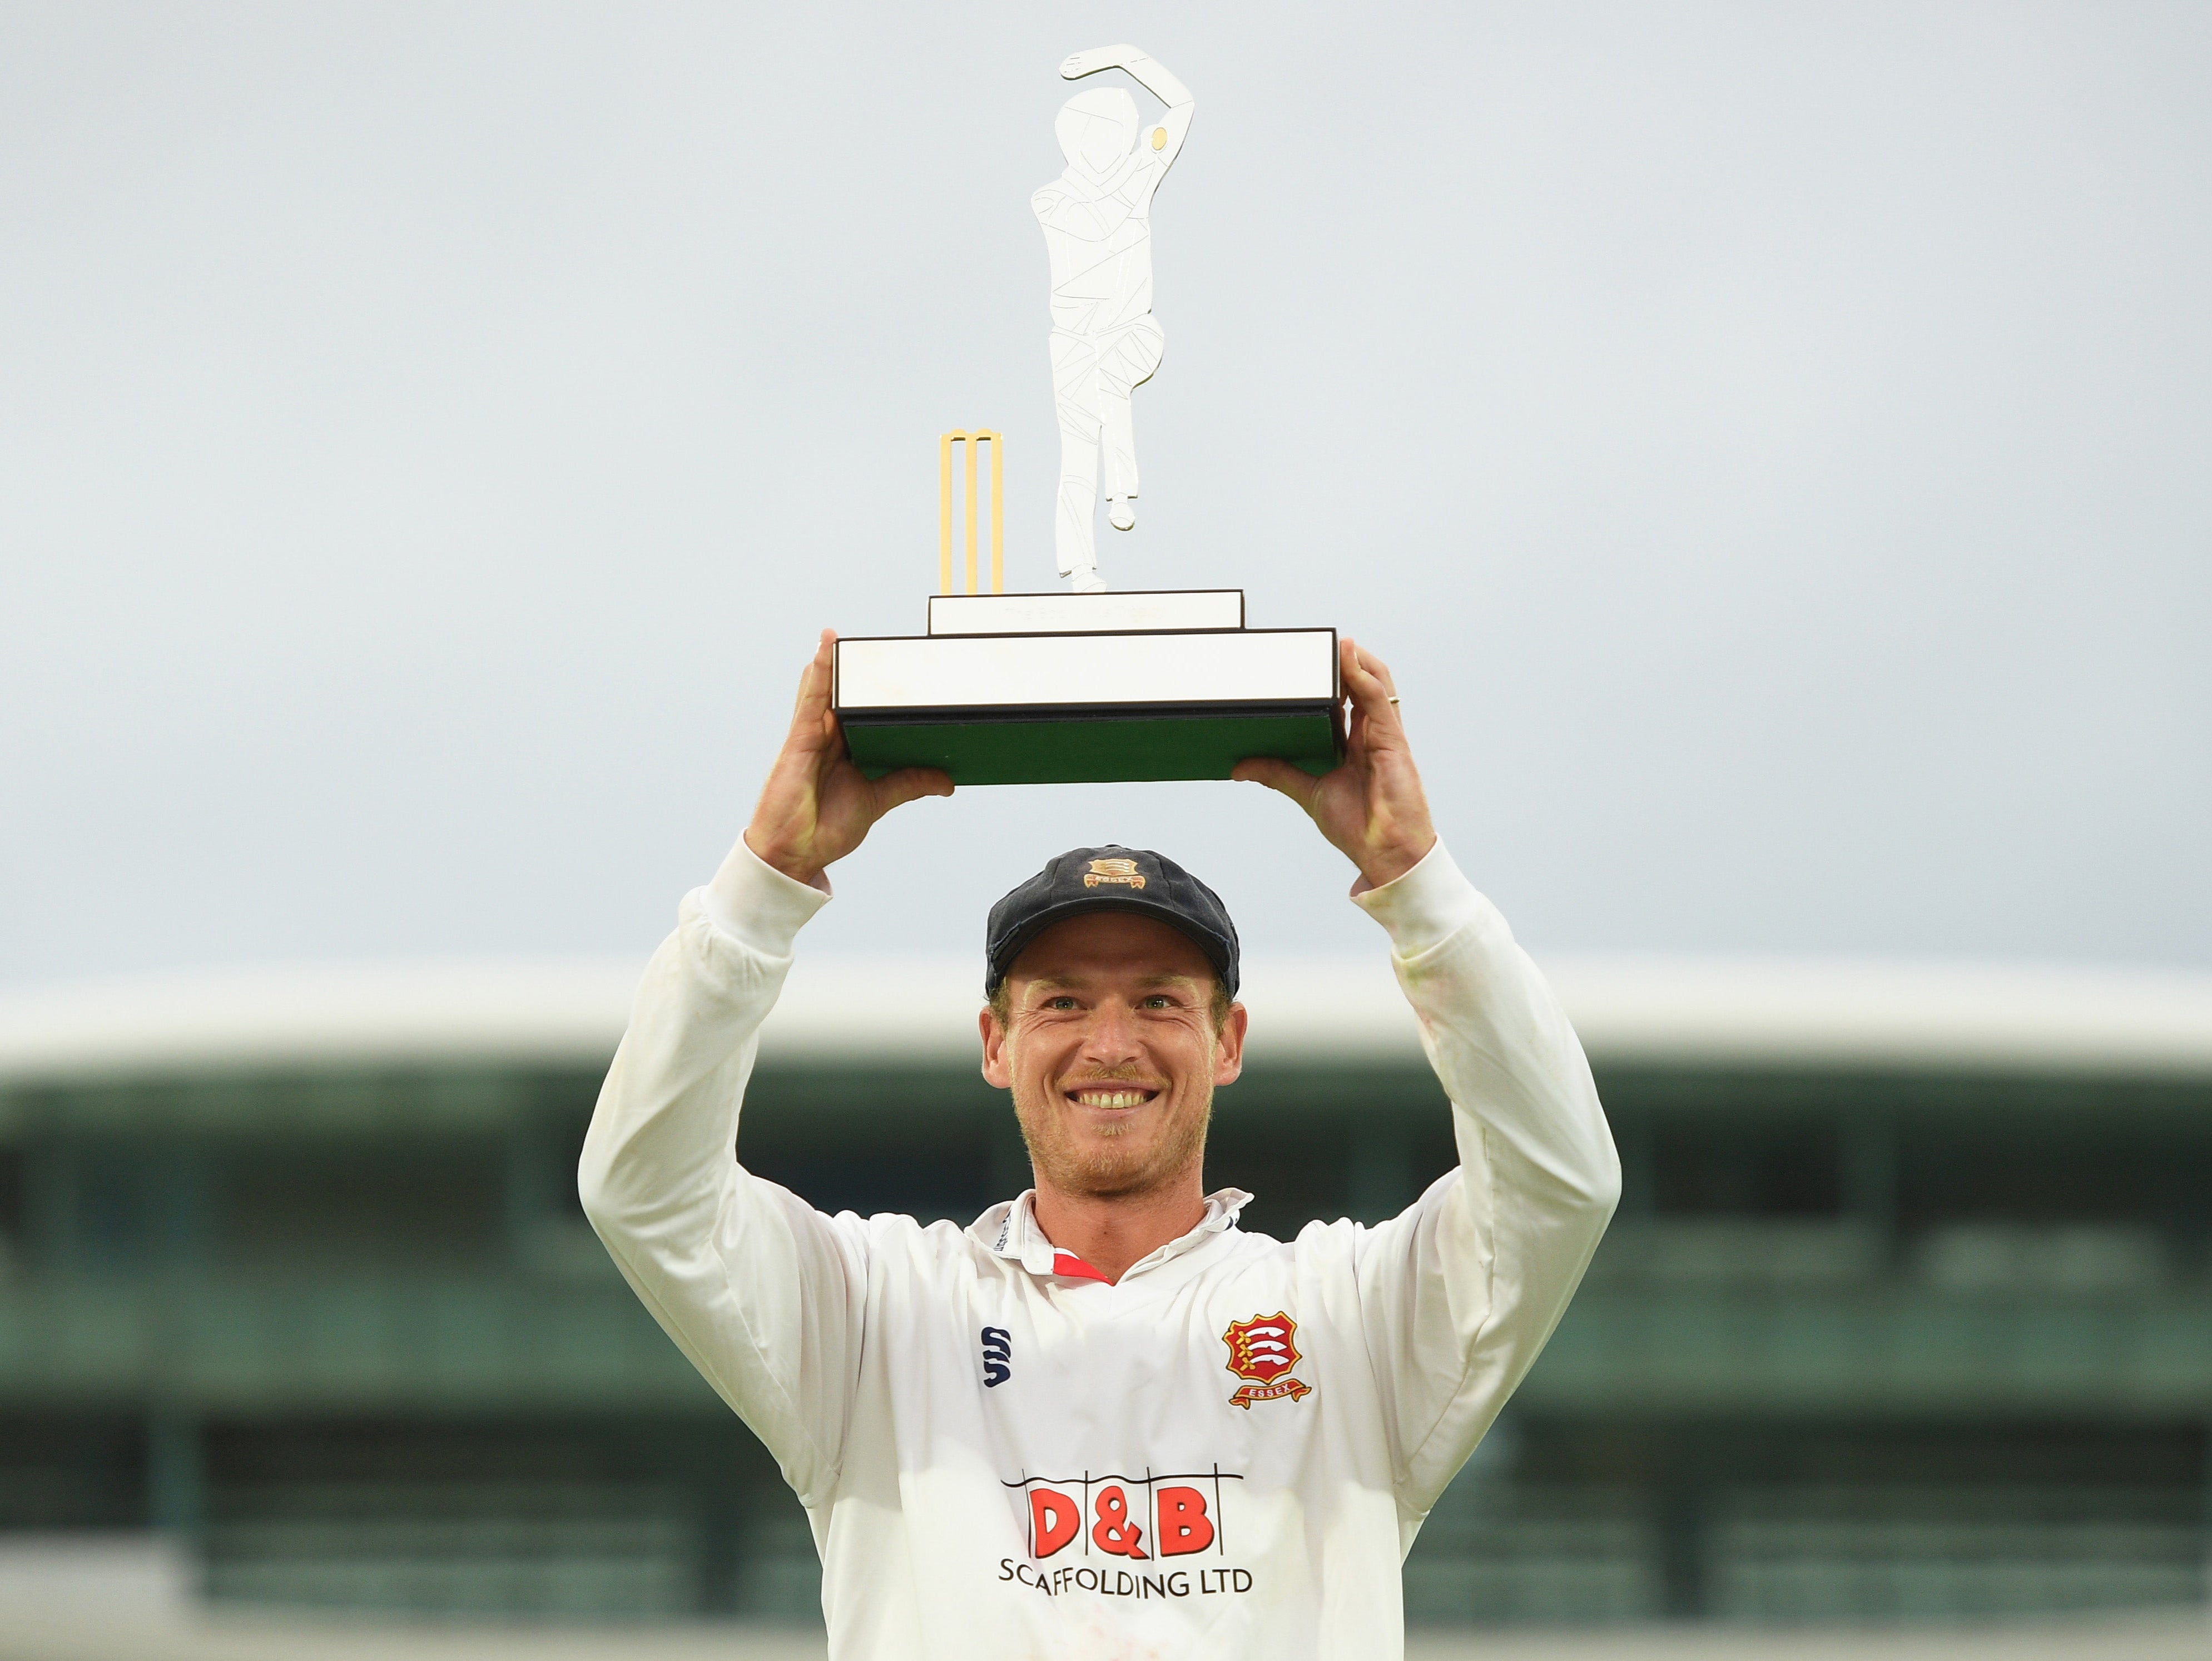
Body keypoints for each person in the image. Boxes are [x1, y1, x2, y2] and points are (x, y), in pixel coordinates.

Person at [579, 631, 1620, 1659]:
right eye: (1063, 1001)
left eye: (1160, 1001)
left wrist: (1414, 881)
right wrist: (764, 879)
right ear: (996, 1043)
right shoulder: (878, 1311)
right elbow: (645, 1191)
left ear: (1227, 1041)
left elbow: (1558, 1183)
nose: (1110, 1044)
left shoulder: (1349, 1312)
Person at [1033, 44, 1194, 592]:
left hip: (1132, 330)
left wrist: (1127, 58)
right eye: (1091, 135)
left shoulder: (1137, 178)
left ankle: (1122, 487)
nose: (1103, 147)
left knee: (1113, 377)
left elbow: (1183, 106)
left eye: (1112, 134)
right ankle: (1081, 563)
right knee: (1076, 454)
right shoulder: (1052, 199)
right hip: (1075, 342)